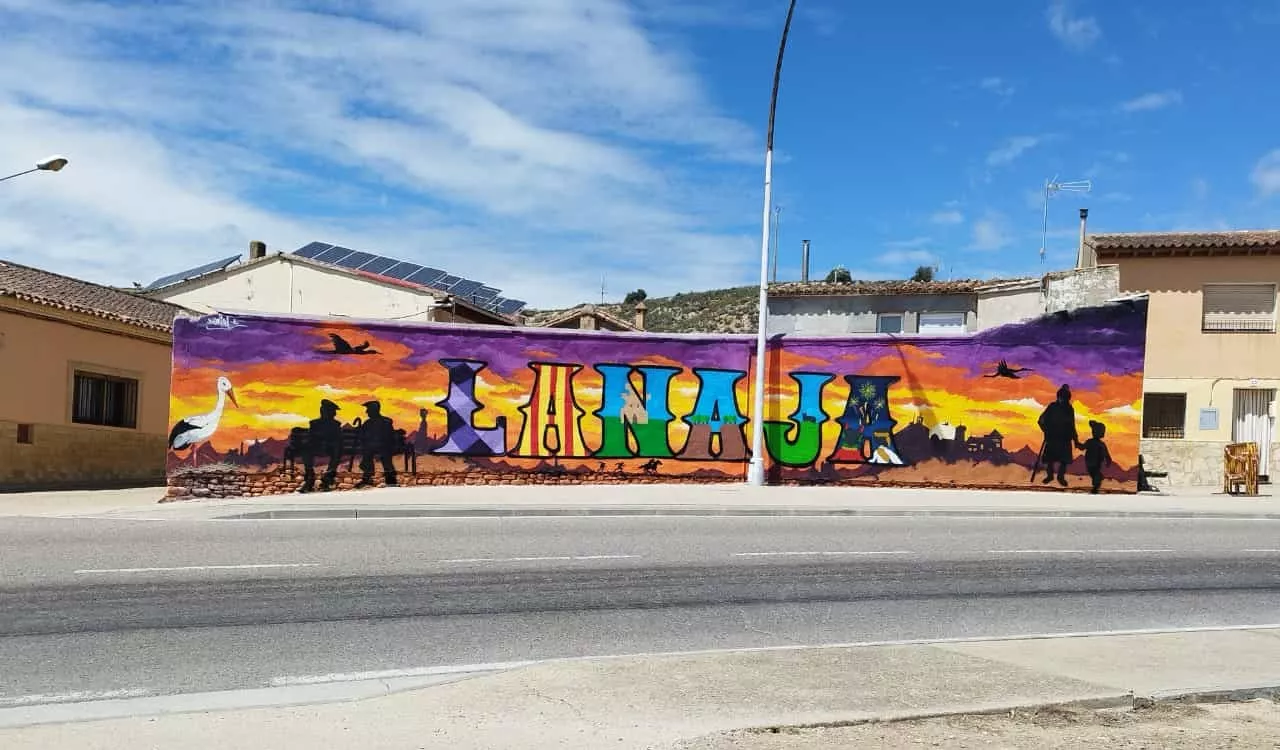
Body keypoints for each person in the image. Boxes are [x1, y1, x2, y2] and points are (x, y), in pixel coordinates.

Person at [1036, 384, 1079, 487]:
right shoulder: (1052, 407)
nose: (1063, 400)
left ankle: (1060, 477)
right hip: (1052, 437)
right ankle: (1050, 476)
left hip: (1065, 438)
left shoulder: (1069, 409)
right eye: (1061, 398)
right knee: (1049, 459)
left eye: (1065, 399)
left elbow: (1072, 425)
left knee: (1064, 460)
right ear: (1058, 397)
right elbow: (1041, 420)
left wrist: (1075, 439)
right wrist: (1046, 431)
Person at [300, 399, 343, 493]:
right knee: (306, 448)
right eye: (324, 410)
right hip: (318, 448)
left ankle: (327, 477)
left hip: (330, 449)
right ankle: (311, 477)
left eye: (328, 411)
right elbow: (311, 438)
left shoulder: (335, 425)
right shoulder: (314, 423)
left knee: (337, 449)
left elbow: (338, 439)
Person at [356, 400, 397, 488]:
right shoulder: (368, 423)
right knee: (368, 454)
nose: (366, 412)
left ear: (374, 410)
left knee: (384, 456)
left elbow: (389, 436)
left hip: (383, 447)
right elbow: (363, 436)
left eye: (368, 410)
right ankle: (368, 478)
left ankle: (390, 479)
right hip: (372, 447)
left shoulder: (385, 422)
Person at [1080, 420, 1113, 495]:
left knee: (1095, 474)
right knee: (1094, 474)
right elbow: (1082, 447)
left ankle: (1096, 486)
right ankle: (1096, 483)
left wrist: (1108, 460)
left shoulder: (1098, 443)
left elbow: (1106, 454)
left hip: (1094, 462)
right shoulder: (1094, 442)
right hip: (1091, 462)